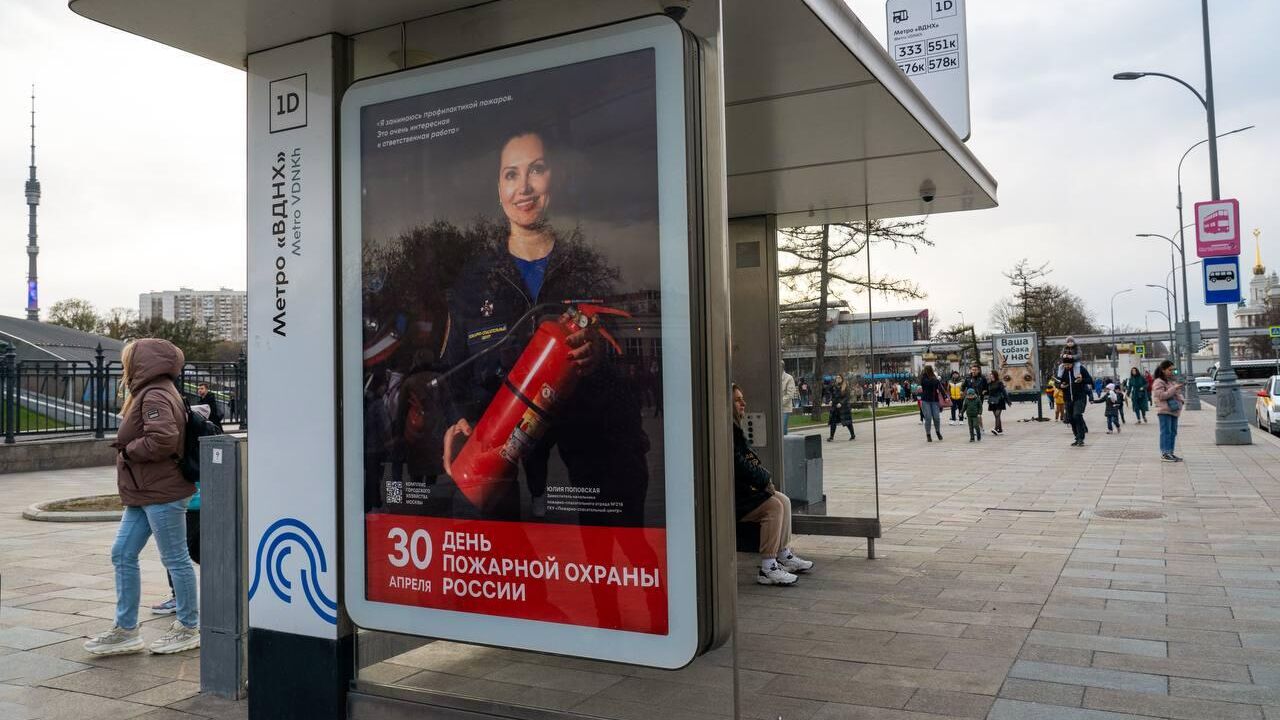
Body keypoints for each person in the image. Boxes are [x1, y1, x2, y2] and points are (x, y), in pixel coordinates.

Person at [439, 128, 648, 522]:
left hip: (586, 469)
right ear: (498, 186)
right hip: (498, 465)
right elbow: (452, 369)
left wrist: (599, 354)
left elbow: (629, 365)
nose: (524, 188)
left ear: (555, 179)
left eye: (537, 170)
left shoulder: (589, 267)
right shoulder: (473, 281)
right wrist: (457, 417)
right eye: (511, 174)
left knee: (606, 563)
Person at [84, 338, 200, 656]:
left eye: (128, 360)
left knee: (175, 558)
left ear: (141, 362)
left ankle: (189, 626)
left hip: (161, 491)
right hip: (145, 491)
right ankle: (126, 630)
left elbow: (163, 437)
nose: (125, 366)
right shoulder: (154, 390)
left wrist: (128, 450)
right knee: (122, 553)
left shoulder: (155, 393)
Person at [732, 384, 814, 586]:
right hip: (733, 496)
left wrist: (763, 479)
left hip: (741, 491)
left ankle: (783, 554)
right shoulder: (728, 431)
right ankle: (768, 567)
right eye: (737, 400)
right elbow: (739, 465)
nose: (743, 403)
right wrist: (763, 479)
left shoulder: (734, 427)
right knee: (773, 506)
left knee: (783, 500)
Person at [1055, 349, 1094, 447]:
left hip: (1079, 397)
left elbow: (1090, 380)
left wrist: (1082, 380)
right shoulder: (1062, 370)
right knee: (1071, 419)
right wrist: (1060, 386)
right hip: (1068, 398)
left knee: (1077, 415)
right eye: (1065, 365)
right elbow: (1057, 382)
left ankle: (1081, 438)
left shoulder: (1080, 369)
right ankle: (1077, 437)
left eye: (1068, 365)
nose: (1067, 366)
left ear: (1072, 363)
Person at [1152, 359, 1184, 462]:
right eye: (1170, 370)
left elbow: (1175, 393)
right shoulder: (1158, 382)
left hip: (1174, 410)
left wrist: (1181, 400)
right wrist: (1174, 388)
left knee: (1173, 432)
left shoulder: (1170, 381)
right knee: (1166, 432)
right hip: (1164, 411)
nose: (1172, 372)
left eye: (1174, 370)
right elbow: (1161, 396)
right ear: (1163, 370)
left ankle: (1170, 452)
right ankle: (1165, 453)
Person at [918, 366, 944, 442]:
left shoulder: (934, 378)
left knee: (936, 417)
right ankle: (928, 434)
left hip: (934, 400)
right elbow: (928, 383)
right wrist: (935, 380)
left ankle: (937, 431)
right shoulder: (923, 378)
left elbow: (940, 387)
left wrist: (945, 396)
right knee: (928, 418)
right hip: (926, 401)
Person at [827, 374, 855, 442]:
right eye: (837, 378)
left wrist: (841, 403)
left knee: (847, 422)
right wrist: (831, 400)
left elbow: (847, 397)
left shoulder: (845, 386)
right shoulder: (834, 386)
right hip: (835, 407)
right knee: (833, 422)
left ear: (842, 378)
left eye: (839, 378)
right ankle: (831, 436)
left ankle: (852, 434)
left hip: (844, 407)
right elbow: (832, 395)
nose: (838, 379)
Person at [961, 364, 988, 431]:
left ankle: (980, 427)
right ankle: (976, 428)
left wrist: (984, 391)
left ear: (978, 370)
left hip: (978, 397)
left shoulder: (982, 378)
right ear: (971, 370)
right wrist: (961, 391)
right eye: (973, 370)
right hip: (969, 398)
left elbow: (986, 387)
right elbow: (963, 386)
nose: (974, 371)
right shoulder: (968, 378)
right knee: (972, 413)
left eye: (975, 370)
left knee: (977, 413)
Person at [986, 370, 1007, 436]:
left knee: (997, 414)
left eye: (991, 374)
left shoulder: (999, 382)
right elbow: (989, 392)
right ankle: (1000, 430)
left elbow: (1003, 392)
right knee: (996, 416)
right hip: (992, 401)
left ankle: (995, 429)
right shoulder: (989, 383)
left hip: (999, 400)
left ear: (994, 375)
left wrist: (1008, 400)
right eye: (989, 374)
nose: (990, 375)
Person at [780, 362, 798, 434]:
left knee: (783, 429)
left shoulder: (789, 378)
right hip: (775, 409)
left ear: (782, 367)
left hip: (784, 408)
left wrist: (779, 403)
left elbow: (790, 394)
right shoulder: (773, 377)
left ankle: (784, 444)